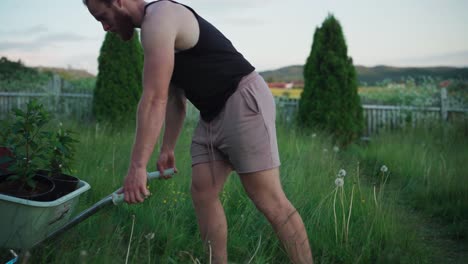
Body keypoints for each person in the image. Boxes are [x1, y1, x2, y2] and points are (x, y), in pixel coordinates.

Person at [83, 0, 313, 263]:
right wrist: (167, 147)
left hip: (241, 100)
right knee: (203, 192)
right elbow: (174, 98)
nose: (104, 27)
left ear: (119, 2)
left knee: (269, 199)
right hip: (211, 114)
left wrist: (137, 166)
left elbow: (153, 99)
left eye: (103, 17)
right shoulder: (152, 29)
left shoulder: (160, 17)